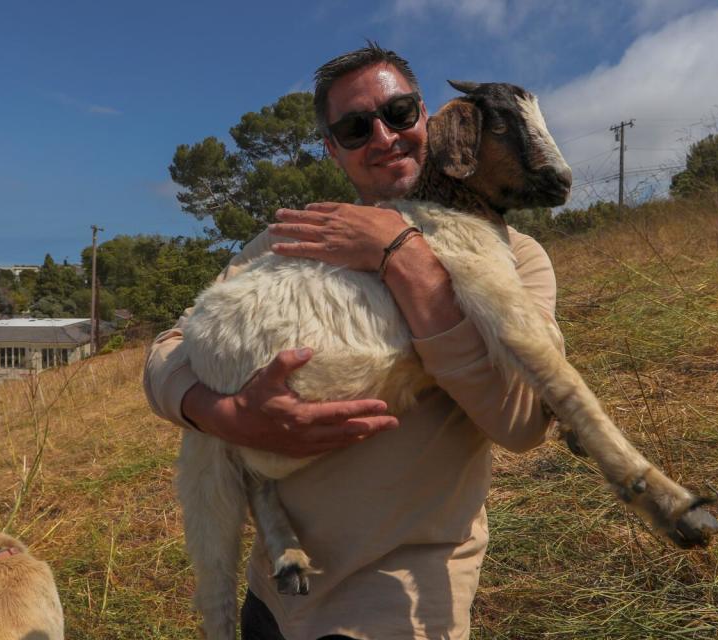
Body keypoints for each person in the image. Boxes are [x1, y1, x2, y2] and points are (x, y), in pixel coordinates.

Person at [143, 43, 561, 640]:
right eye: (355, 127)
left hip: (398, 606)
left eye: (399, 112)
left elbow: (523, 423)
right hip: (277, 593)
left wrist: (403, 258)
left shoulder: (517, 258)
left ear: (429, 119)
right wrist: (223, 415)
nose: (385, 137)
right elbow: (168, 349)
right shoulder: (294, 238)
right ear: (333, 150)